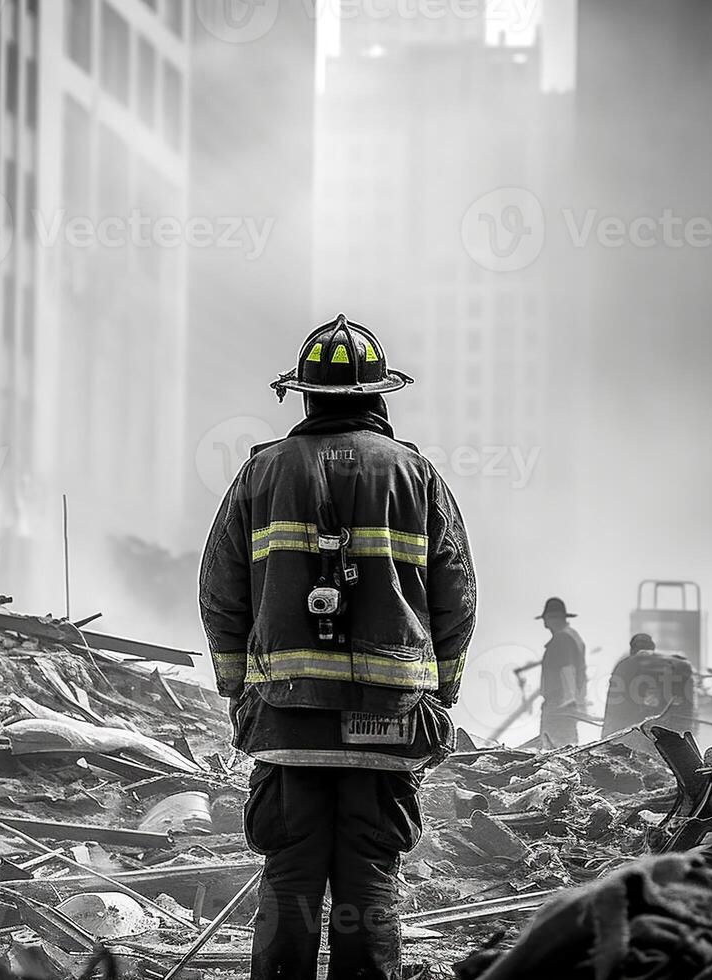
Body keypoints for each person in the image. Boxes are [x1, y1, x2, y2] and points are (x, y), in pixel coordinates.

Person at [198, 314, 477, 980]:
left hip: (288, 719)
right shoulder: (417, 476)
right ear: (378, 396)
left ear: (306, 396)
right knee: (370, 877)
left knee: (290, 873)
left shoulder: (260, 473)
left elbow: (221, 593)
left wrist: (239, 692)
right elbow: (456, 599)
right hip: (386, 723)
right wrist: (437, 697)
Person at [536, 596, 586, 746]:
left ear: (552, 618)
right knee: (567, 748)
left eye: (546, 619)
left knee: (555, 750)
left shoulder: (562, 640)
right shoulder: (571, 636)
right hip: (565, 706)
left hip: (559, 707)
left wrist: (567, 704)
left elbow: (567, 670)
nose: (545, 623)